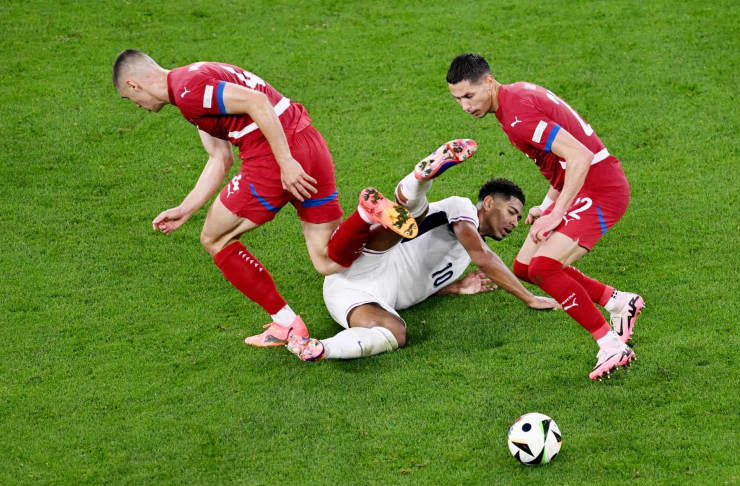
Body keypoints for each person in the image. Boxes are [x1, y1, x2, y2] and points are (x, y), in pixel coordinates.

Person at [112, 50, 418, 347]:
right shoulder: (191, 79)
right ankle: (367, 215)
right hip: (309, 143)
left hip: (273, 159)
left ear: (133, 84)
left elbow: (255, 102)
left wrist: (285, 163)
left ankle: (285, 323)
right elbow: (220, 158)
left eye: (129, 99)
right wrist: (186, 208)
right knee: (327, 259)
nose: (136, 105)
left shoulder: (189, 91)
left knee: (214, 239)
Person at [446, 53, 645, 381]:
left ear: (489, 82)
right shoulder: (514, 98)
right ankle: (618, 302)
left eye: (469, 95)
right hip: (582, 184)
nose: (465, 106)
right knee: (524, 267)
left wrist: (558, 214)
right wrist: (547, 205)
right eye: (458, 100)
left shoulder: (518, 115)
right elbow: (558, 164)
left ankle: (610, 344)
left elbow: (580, 156)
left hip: (600, 189)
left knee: (544, 266)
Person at [286, 140, 558, 361]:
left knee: (396, 332)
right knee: (410, 222)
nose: (514, 223)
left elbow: (421, 278)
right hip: (370, 260)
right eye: (512, 212)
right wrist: (528, 297)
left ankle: (320, 348)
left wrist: (455, 287)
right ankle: (417, 182)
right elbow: (483, 258)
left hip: (353, 299)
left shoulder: (464, 258)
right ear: (488, 203)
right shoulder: (462, 211)